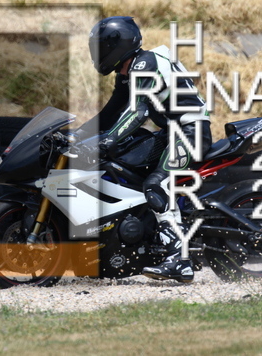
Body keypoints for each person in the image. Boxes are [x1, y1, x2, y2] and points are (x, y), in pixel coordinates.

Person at [75, 16, 212, 283]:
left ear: (118, 45)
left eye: (101, 47)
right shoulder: (127, 73)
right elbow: (111, 113)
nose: (98, 54)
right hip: (171, 132)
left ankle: (180, 261)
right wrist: (77, 135)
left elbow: (138, 113)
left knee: (156, 184)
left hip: (191, 132)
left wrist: (107, 141)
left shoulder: (145, 64)